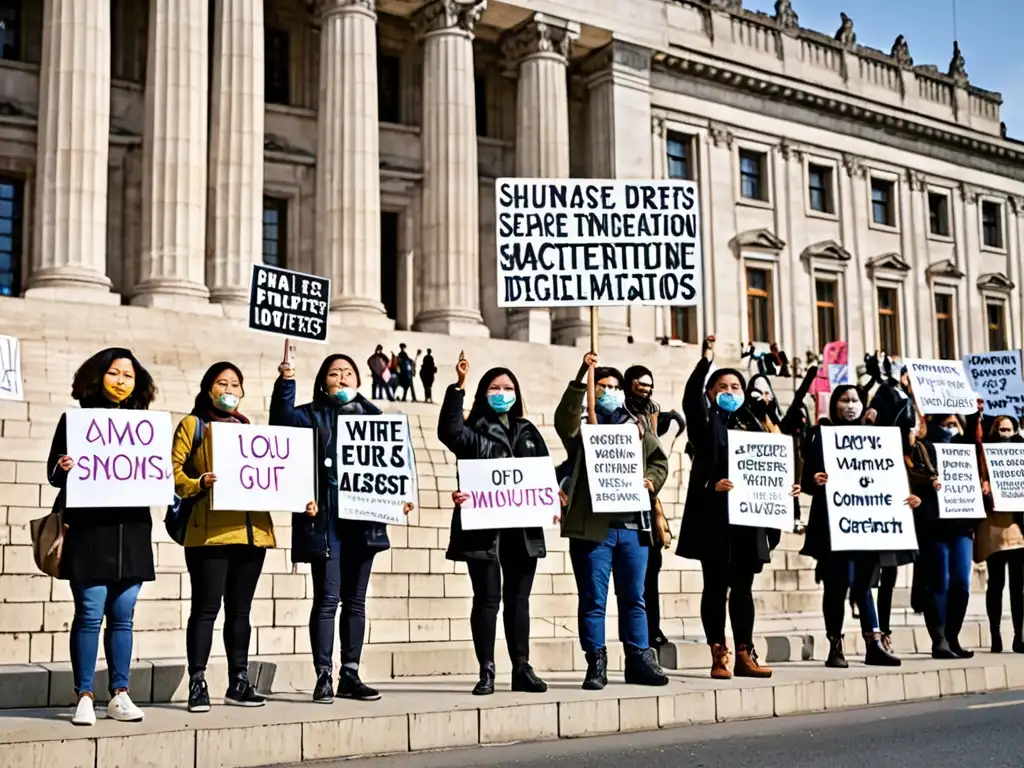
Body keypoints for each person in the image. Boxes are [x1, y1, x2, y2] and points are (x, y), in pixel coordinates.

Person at [270, 352, 412, 703]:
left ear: (359, 381)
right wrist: (287, 381)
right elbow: (280, 424)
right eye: (334, 374)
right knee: (327, 598)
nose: (342, 379)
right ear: (323, 382)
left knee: (356, 601)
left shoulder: (377, 420)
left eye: (348, 373)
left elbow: (394, 468)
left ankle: (350, 671)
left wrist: (402, 497)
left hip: (364, 522)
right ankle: (323, 675)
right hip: (326, 520)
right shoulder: (308, 416)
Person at [677, 335, 798, 679]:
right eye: (723, 386)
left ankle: (745, 652)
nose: (730, 390)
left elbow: (771, 467)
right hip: (715, 519)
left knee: (742, 589)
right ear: (712, 392)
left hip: (749, 520)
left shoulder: (755, 423)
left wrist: (785, 489)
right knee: (715, 587)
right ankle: (719, 652)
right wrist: (705, 361)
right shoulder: (705, 422)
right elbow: (691, 398)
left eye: (735, 386)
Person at [47, 348, 157, 726]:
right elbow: (53, 474)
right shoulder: (75, 422)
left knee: (123, 617)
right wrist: (65, 468)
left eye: (128, 375)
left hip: (133, 533)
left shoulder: (145, 428)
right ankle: (84, 695)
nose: (122, 381)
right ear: (98, 377)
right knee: (90, 614)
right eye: (114, 373)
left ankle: (120, 694)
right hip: (90, 533)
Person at [555, 352, 670, 689]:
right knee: (594, 599)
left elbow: (659, 461)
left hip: (633, 527)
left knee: (635, 597)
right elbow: (563, 420)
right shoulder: (584, 427)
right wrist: (581, 375)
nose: (610, 391)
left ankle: (638, 658)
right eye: (602, 386)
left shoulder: (636, 427)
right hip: (595, 530)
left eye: (615, 387)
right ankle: (597, 661)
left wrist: (651, 479)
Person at [441, 354, 550, 695]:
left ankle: (521, 666)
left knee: (519, 600)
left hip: (522, 530)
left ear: (517, 394)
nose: (501, 392)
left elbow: (543, 472)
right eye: (494, 388)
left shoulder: (528, 431)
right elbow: (449, 432)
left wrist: (553, 495)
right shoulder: (473, 431)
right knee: (487, 599)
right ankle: (486, 670)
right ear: (483, 393)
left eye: (507, 388)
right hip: (484, 528)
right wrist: (458, 386)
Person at [171, 363, 277, 712]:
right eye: (222, 382)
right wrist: (198, 483)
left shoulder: (248, 428)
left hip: (251, 533)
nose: (229, 388)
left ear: (243, 392)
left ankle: (239, 680)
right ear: (207, 389)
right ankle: (198, 681)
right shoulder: (193, 425)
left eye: (235, 383)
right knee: (205, 609)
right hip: (209, 533)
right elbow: (172, 473)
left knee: (240, 612)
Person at [801, 384, 919, 668]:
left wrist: (908, 497)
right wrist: (816, 481)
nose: (851, 405)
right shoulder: (822, 435)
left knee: (865, 585)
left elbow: (891, 476)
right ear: (834, 404)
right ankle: (835, 645)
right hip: (834, 525)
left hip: (867, 526)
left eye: (855, 400)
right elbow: (806, 480)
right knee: (837, 585)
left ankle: (873, 643)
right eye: (845, 400)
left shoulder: (878, 437)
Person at [908, 408, 983, 659]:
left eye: (953, 422)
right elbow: (912, 473)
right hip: (935, 524)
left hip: (961, 523)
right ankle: (939, 639)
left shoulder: (963, 444)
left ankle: (953, 637)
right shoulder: (922, 447)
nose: (950, 428)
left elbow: (973, 436)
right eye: (946, 423)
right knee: (940, 581)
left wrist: (974, 413)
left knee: (961, 583)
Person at [621, 365, 674, 653]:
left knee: (650, 571)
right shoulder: (619, 414)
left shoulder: (649, 412)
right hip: (616, 509)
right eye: (640, 384)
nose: (645, 389)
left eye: (649, 385)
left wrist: (651, 482)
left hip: (644, 504)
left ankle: (652, 628)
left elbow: (657, 457)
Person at [977, 415, 1024, 652]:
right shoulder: (984, 455)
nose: (1005, 434)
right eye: (1000, 430)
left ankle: (1019, 635)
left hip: (1018, 528)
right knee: (996, 583)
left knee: (1019, 585)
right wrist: (983, 486)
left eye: (1009, 430)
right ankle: (995, 635)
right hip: (993, 528)